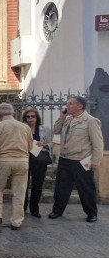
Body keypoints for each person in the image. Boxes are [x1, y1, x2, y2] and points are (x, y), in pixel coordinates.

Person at [49, 95, 104, 223]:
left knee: (86, 189)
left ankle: (91, 213)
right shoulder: (67, 119)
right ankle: (57, 211)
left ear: (80, 106)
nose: (67, 106)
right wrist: (61, 117)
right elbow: (56, 130)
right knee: (61, 188)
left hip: (81, 160)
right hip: (65, 159)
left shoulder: (90, 121)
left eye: (70, 103)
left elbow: (98, 143)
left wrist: (95, 162)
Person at [0, 103, 33, 230]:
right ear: (13, 113)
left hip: (3, 160)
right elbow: (30, 146)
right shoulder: (25, 127)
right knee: (19, 192)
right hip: (22, 161)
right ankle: (17, 221)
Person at [22, 107, 53, 218]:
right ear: (25, 118)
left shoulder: (45, 129)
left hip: (39, 159)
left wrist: (44, 144)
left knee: (38, 184)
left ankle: (34, 209)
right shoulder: (22, 129)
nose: (30, 119)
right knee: (23, 185)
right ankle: (23, 207)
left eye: (33, 116)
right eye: (28, 117)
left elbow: (51, 143)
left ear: (37, 117)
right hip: (25, 158)